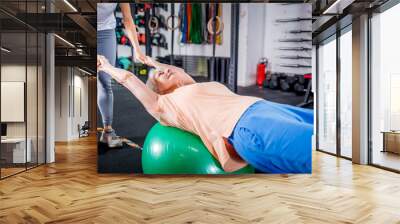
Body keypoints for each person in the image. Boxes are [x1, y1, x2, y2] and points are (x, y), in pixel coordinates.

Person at [97, 40, 313, 174]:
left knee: (335, 138)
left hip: (267, 107)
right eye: (158, 77)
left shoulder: (193, 84)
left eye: (163, 69)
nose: (162, 72)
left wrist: (151, 62)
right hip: (246, 128)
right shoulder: (164, 104)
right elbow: (127, 78)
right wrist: (106, 66)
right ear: (160, 92)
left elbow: (171, 69)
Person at [97, 3, 146, 147]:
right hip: (83, 27)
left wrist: (137, 49)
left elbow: (127, 18)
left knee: (104, 80)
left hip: (106, 30)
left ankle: (107, 132)